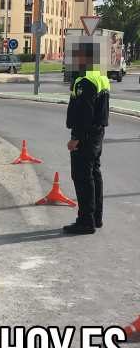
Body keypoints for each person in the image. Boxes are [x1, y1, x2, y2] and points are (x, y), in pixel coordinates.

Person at [64, 46, 110, 234]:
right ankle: (96, 217)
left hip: (86, 135)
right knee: (94, 175)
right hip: (98, 133)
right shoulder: (100, 77)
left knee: (82, 177)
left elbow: (85, 113)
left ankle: (85, 221)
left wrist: (76, 138)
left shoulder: (85, 81)